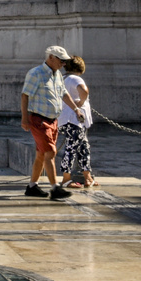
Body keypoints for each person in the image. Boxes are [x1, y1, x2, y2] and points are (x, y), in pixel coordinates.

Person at [21, 45, 75, 200]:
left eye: (65, 61)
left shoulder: (57, 74)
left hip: (53, 120)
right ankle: (55, 188)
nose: (63, 64)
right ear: (51, 57)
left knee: (41, 155)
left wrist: (76, 109)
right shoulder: (36, 73)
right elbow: (25, 96)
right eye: (61, 60)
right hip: (39, 119)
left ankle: (32, 186)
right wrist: (24, 118)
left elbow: (64, 93)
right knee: (50, 153)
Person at [58, 56, 95, 189]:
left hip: (65, 120)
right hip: (74, 120)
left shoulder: (63, 78)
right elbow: (84, 91)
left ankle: (87, 177)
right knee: (72, 148)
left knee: (84, 147)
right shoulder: (76, 78)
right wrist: (81, 102)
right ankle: (66, 179)